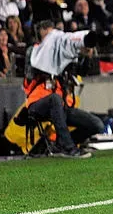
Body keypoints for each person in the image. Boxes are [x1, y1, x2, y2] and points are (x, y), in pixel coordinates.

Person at [19, 20, 106, 158]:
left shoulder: (63, 52)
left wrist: (84, 55)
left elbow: (81, 72)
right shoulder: (34, 51)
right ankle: (68, 148)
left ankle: (59, 143)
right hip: (37, 102)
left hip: (61, 104)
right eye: (48, 34)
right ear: (40, 35)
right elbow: (32, 72)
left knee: (97, 125)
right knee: (54, 99)